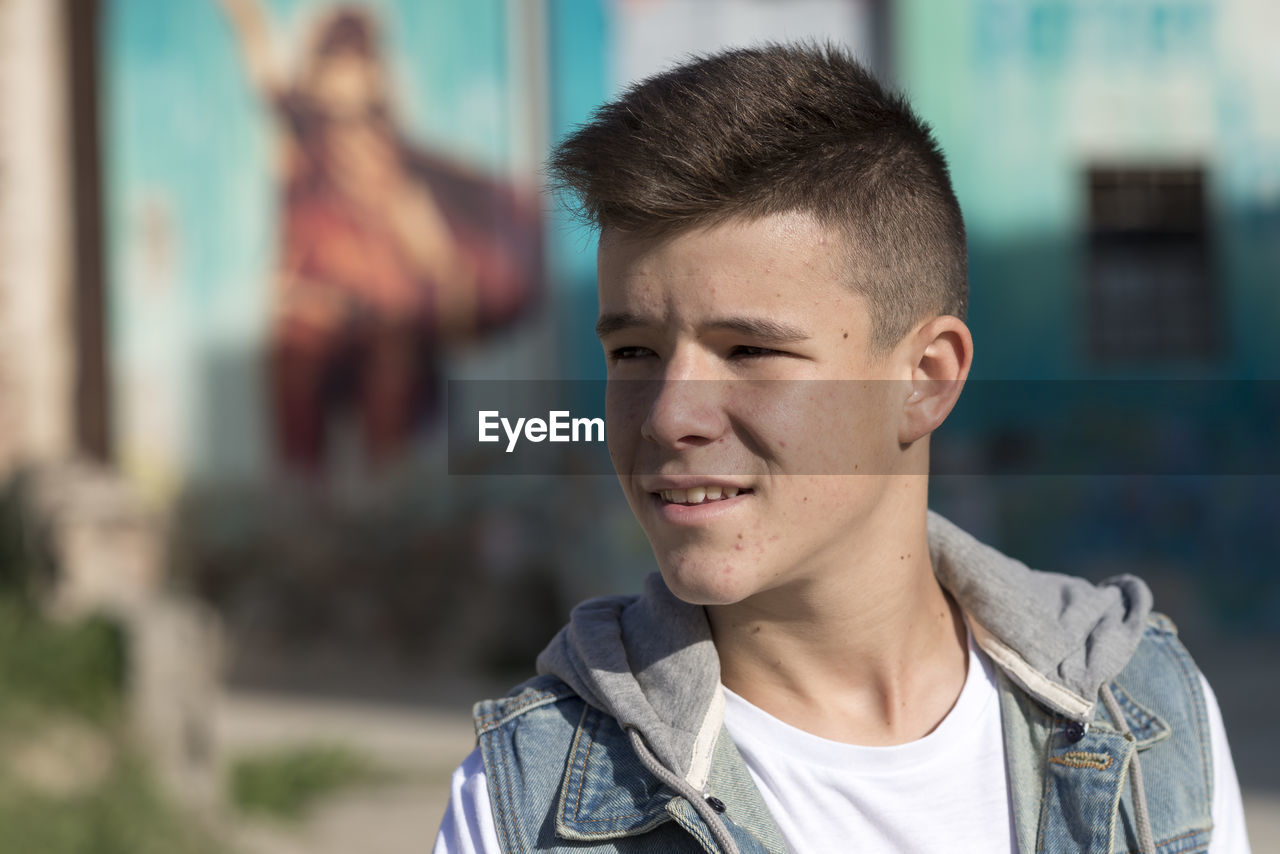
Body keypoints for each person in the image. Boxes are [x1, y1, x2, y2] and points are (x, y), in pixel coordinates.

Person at [433, 44, 1250, 853]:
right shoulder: (524, 809)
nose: (670, 415)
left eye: (750, 352)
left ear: (925, 379)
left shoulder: (1150, 721)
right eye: (633, 353)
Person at [217, 0, 540, 473]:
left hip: (393, 351)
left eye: (362, 114)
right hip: (324, 339)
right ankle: (307, 512)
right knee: (297, 349)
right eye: (334, 115)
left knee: (391, 356)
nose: (349, 132)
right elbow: (266, 74)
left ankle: (388, 507)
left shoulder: (407, 176)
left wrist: (429, 263)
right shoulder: (308, 153)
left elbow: (447, 274)